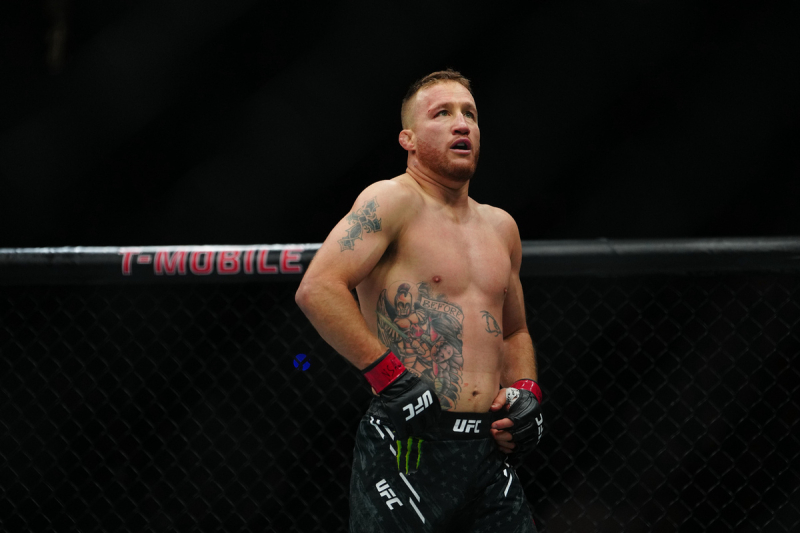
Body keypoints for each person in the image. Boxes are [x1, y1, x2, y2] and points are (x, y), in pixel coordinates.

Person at [295, 69, 543, 532]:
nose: (461, 123)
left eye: (470, 114)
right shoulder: (391, 200)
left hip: (487, 452)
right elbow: (319, 288)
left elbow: (514, 331)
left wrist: (526, 392)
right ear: (407, 138)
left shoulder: (501, 228)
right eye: (442, 113)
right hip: (408, 442)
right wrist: (389, 376)